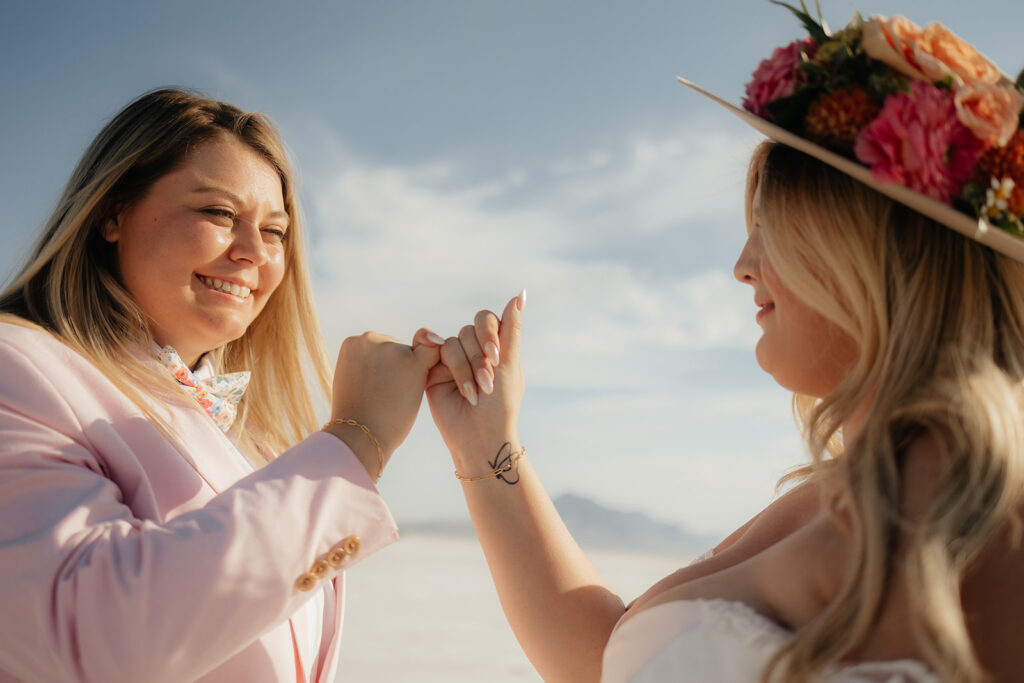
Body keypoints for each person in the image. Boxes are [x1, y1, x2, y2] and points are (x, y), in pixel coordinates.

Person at [424, 8, 1024, 683]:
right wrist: (485, 441)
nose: (742, 264)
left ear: (872, 252)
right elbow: (604, 662)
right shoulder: (859, 486)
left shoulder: (962, 506)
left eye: (770, 224)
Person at [0, 88, 446, 682]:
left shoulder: (252, 439)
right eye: (218, 214)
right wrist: (356, 442)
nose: (252, 254)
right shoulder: (17, 368)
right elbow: (89, 636)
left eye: (275, 231)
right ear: (113, 212)